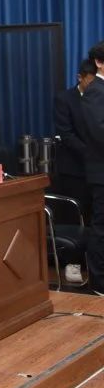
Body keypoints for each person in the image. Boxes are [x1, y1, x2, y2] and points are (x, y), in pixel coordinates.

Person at [53, 58, 98, 285]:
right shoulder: (65, 99)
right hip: (74, 169)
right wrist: (92, 153)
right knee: (75, 216)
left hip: (98, 169)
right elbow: (66, 134)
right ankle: (73, 263)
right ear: (80, 77)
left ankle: (95, 265)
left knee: (96, 219)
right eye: (90, 81)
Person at [80, 41, 104, 296]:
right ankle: (99, 283)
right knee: (101, 228)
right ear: (98, 62)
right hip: (102, 172)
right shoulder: (96, 91)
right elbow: (99, 132)